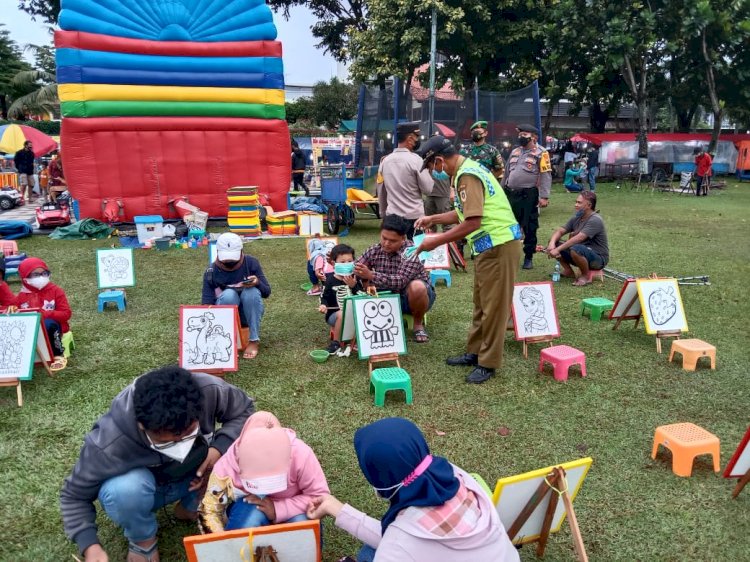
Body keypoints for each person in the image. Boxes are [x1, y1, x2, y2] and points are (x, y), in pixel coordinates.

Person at [60, 366, 255, 562]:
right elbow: (73, 496)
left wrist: (218, 449)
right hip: (147, 491)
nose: (180, 446)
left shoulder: (207, 390)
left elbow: (245, 412)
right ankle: (143, 540)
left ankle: (193, 505)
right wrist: (90, 547)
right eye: (167, 441)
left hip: (197, 474)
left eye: (188, 433)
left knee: (252, 446)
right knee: (123, 491)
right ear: (141, 426)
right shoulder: (108, 441)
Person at [306, 417, 519, 562]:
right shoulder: (456, 476)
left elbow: (399, 542)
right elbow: (401, 538)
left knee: (368, 554)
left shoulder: (398, 545)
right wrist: (335, 508)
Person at [415, 136, 522, 384]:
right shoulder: (469, 170)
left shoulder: (467, 176)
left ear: (439, 160)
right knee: (481, 303)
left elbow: (472, 221)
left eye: (431, 167)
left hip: (499, 245)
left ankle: (488, 363)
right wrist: (433, 220)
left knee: (494, 309)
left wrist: (435, 240)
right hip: (488, 247)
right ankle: (474, 353)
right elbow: (465, 212)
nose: (433, 172)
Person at [199, 411, 329, 532]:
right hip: (249, 507)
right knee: (248, 519)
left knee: (302, 524)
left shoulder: (301, 454)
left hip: (295, 509)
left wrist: (278, 509)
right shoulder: (225, 467)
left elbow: (320, 498)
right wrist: (220, 541)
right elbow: (209, 510)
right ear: (239, 461)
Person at [355, 215, 435, 343]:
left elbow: (401, 281)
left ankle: (418, 325)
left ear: (403, 238)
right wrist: (339, 262)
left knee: (417, 287)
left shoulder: (413, 251)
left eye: (392, 241)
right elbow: (357, 266)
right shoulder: (374, 250)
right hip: (387, 299)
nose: (386, 243)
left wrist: (371, 275)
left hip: (412, 299)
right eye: (384, 238)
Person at [201, 232, 271, 360]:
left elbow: (266, 292)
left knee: (252, 292)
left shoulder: (251, 263)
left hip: (248, 315)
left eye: (232, 258)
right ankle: (226, 338)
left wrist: (257, 282)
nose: (229, 262)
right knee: (228, 295)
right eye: (226, 259)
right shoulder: (211, 272)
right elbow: (206, 304)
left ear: (241, 251)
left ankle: (253, 340)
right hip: (224, 319)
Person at [501, 124, 552, 270]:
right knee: (509, 225)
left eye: (524, 135)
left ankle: (528, 256)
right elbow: (506, 173)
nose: (520, 137)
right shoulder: (515, 151)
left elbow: (545, 175)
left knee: (530, 226)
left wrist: (544, 196)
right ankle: (509, 255)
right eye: (520, 134)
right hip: (511, 193)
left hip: (528, 195)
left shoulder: (542, 153)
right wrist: (500, 191)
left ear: (534, 137)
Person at [376, 122, 433, 239]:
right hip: (415, 216)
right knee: (418, 251)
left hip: (393, 215)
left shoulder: (385, 161)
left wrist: (383, 213)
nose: (418, 140)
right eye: (417, 137)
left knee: (394, 251)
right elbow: (428, 189)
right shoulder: (416, 160)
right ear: (410, 138)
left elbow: (381, 190)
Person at [14, 257, 71, 372]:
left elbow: (66, 314)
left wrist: (47, 314)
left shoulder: (56, 291)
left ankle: (58, 354)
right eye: (35, 274)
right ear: (25, 278)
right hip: (32, 331)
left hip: (55, 327)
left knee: (48, 323)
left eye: (44, 273)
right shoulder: (21, 296)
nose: (41, 277)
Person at [544, 191, 609, 286]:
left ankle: (585, 277)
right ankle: (568, 271)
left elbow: (579, 238)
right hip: (580, 252)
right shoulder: (577, 218)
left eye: (579, 203)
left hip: (599, 258)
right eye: (576, 202)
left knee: (576, 249)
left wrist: (557, 250)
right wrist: (552, 244)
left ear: (589, 205)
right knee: (555, 242)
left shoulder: (595, 219)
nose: (576, 205)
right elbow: (560, 231)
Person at [319, 244, 363, 354]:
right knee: (342, 313)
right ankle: (336, 343)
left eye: (349, 261)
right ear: (334, 263)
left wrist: (354, 286)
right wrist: (323, 305)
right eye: (342, 262)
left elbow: (362, 296)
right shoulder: (330, 280)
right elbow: (323, 296)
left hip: (355, 314)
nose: (347, 264)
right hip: (334, 315)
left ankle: (360, 341)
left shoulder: (355, 278)